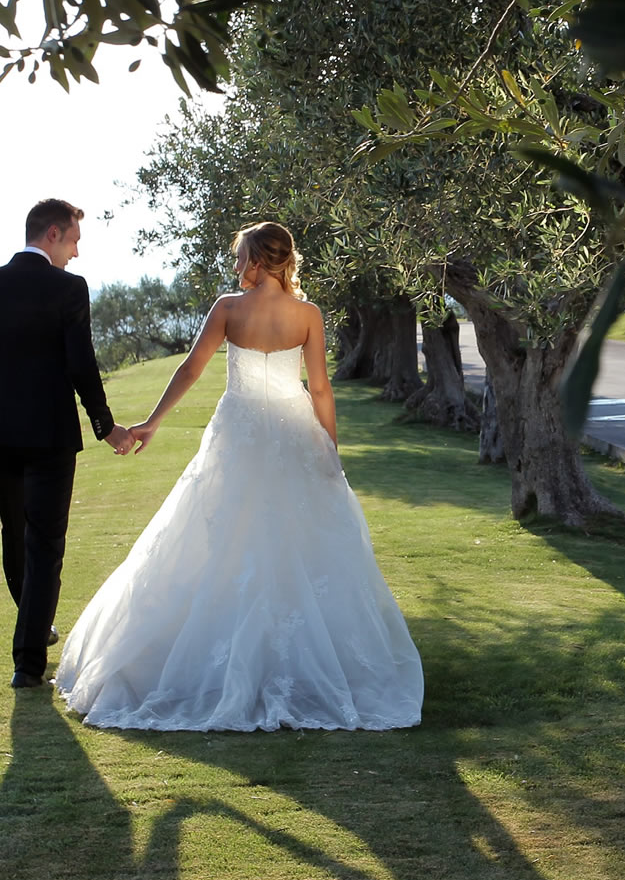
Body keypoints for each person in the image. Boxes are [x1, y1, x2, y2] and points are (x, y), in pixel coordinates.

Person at [53, 221, 423, 731]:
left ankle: (229, 663)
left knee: (221, 539)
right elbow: (319, 390)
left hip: (239, 434)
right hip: (295, 434)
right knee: (296, 543)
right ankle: (295, 666)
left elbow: (191, 368)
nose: (235, 266)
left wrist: (152, 423)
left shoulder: (229, 309)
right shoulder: (308, 315)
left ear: (256, 261)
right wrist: (329, 450)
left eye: (239, 256)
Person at [0, 198, 134, 689]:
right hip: (49, 435)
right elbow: (82, 365)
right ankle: (28, 662)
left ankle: (33, 633)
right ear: (54, 234)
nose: (76, 254)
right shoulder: (69, 288)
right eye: (75, 241)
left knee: (15, 536)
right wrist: (106, 426)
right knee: (44, 545)